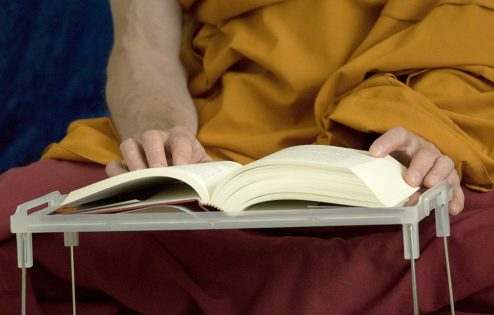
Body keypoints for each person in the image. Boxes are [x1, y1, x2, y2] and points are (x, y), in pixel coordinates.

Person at [2, 0, 494, 313]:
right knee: (13, 215)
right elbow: (142, 46)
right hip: (215, 131)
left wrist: (423, 132)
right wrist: (163, 137)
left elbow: (471, 25)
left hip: (397, 128)